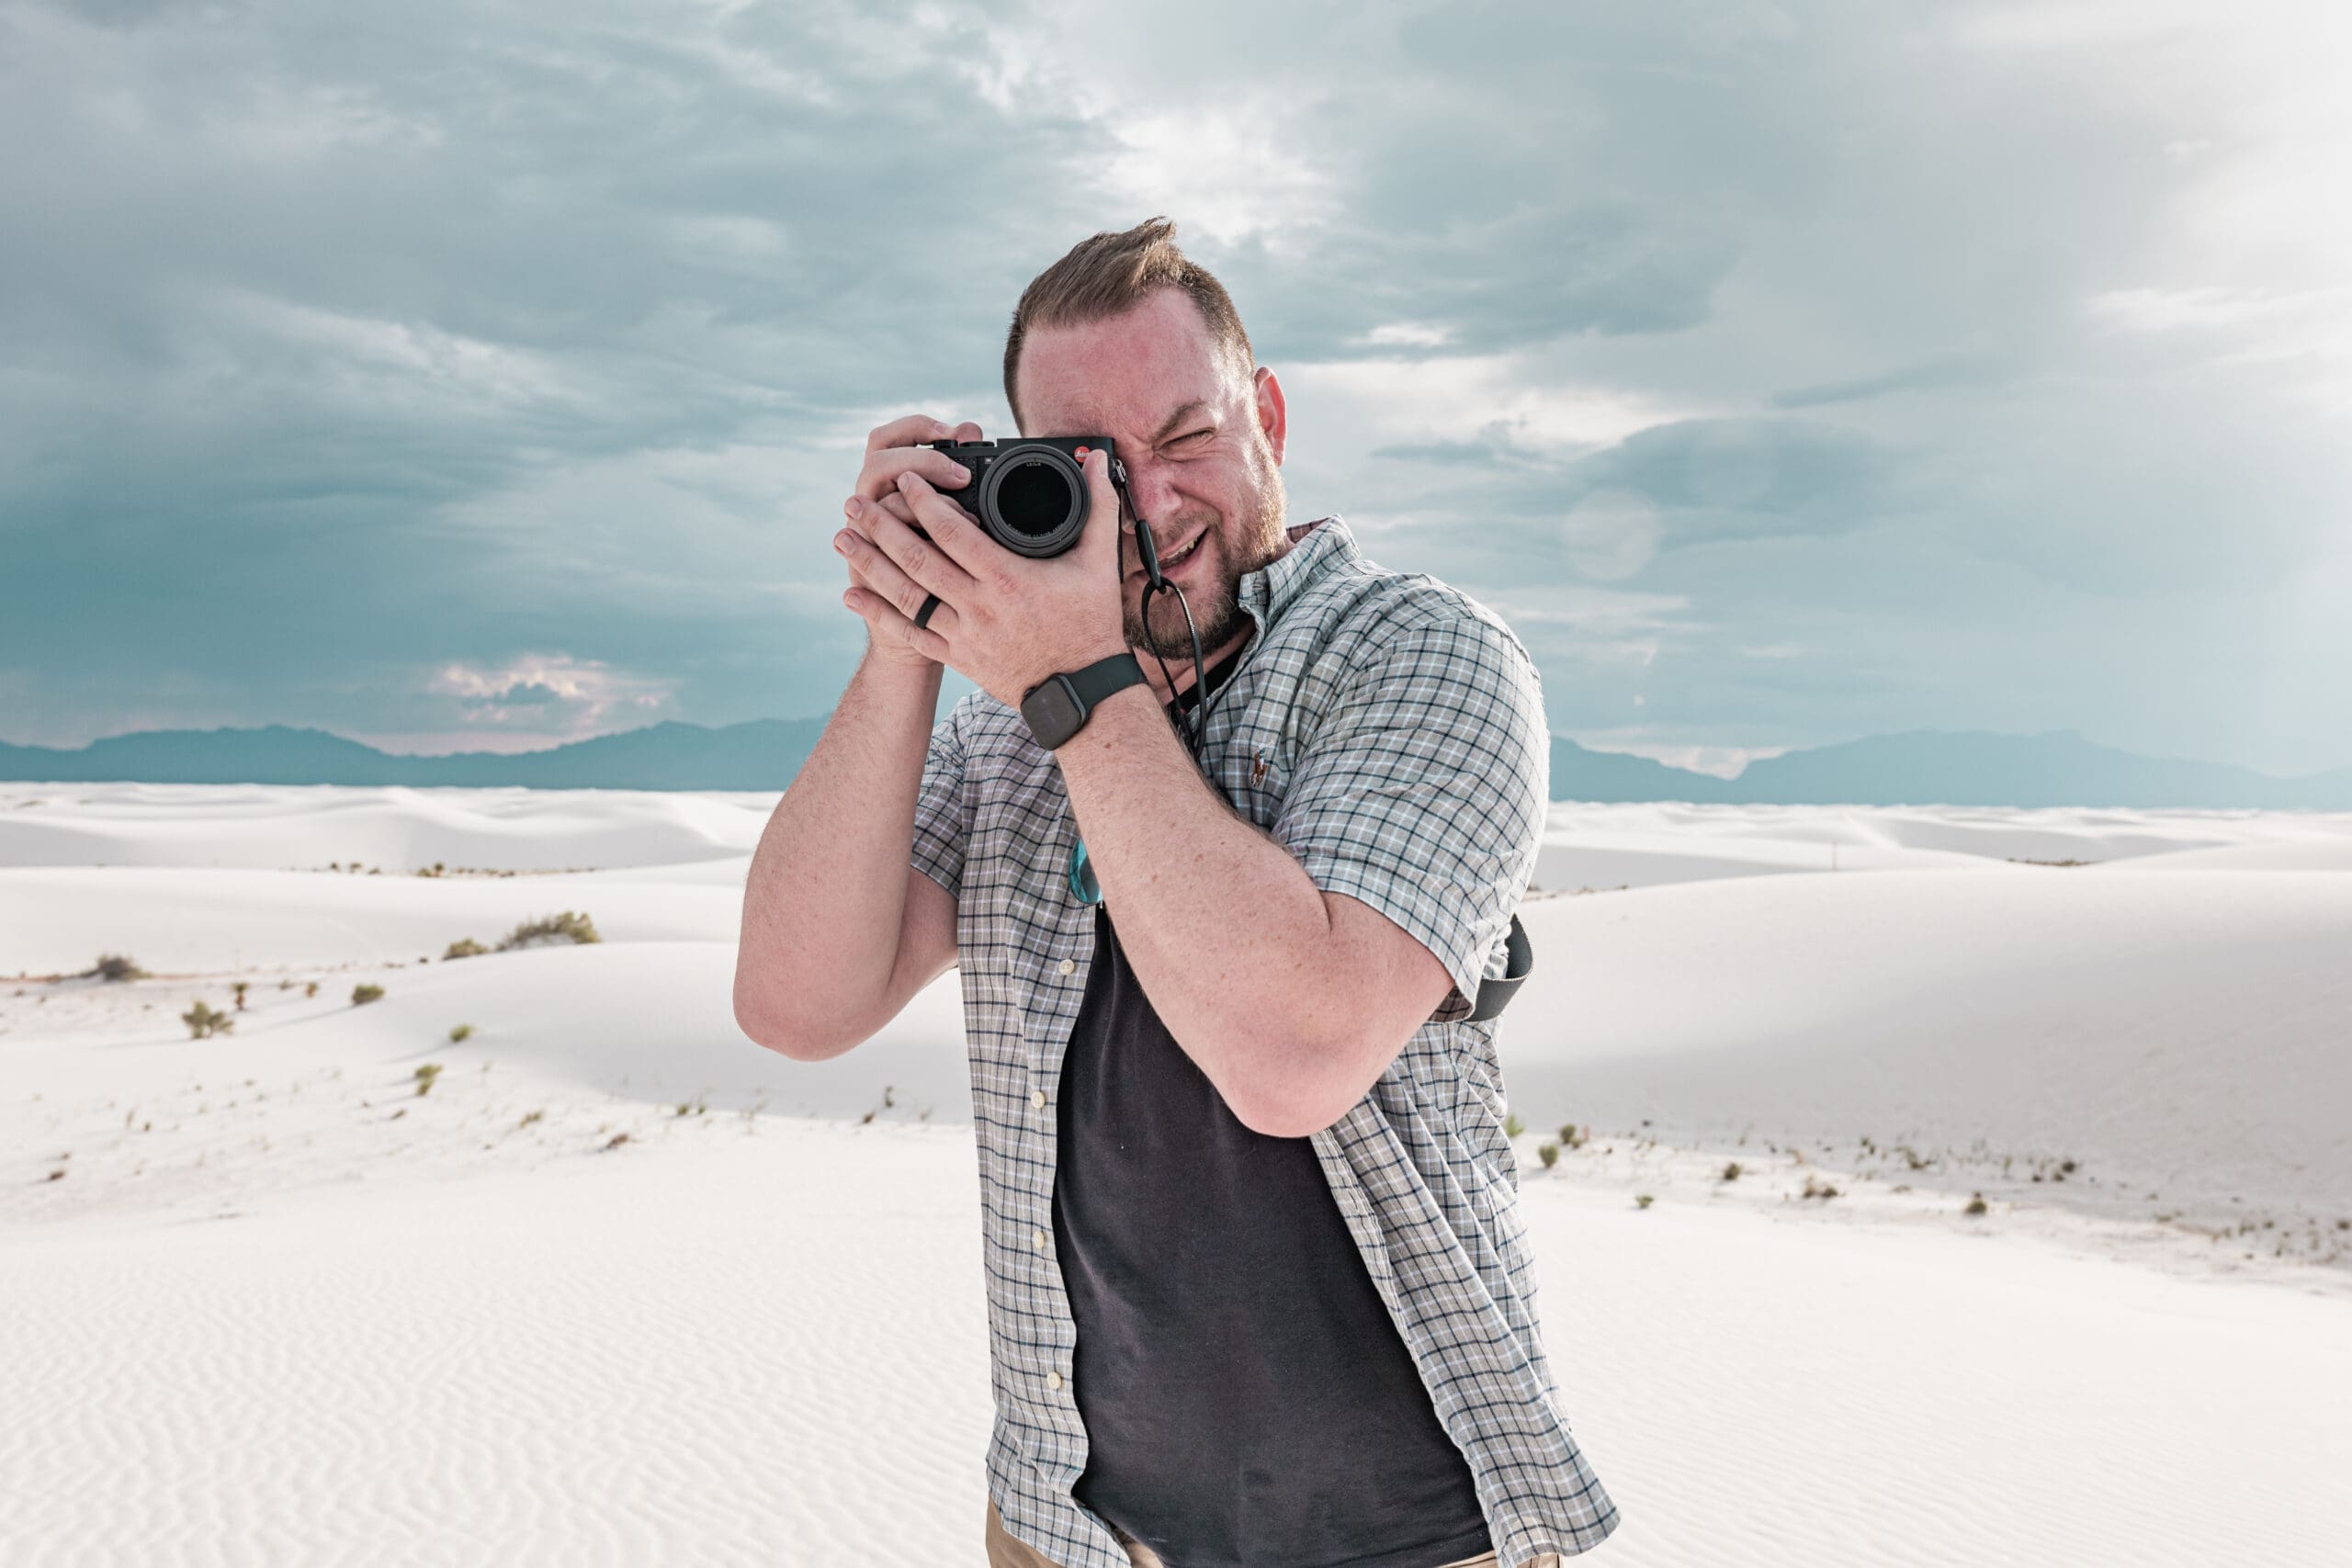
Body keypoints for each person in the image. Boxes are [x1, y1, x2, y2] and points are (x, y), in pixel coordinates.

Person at [734, 218, 1620, 1568]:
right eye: (1088, 463)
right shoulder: (1000, 725)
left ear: (1267, 416)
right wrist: (904, 642)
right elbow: (796, 1003)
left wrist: (1079, 687)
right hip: (1068, 1529)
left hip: (1407, 1539)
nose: (1147, 503)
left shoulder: (1418, 655)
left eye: (1186, 436)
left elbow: (1295, 1054)